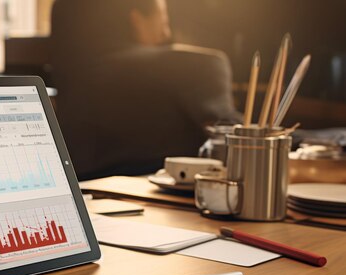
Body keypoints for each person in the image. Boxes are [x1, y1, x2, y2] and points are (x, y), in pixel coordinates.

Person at [50, 0, 241, 179]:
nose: (166, 33)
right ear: (137, 20)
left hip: (78, 184)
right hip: (157, 194)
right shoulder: (199, 66)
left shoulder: (68, 72)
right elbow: (231, 140)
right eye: (163, 19)